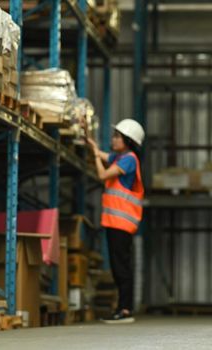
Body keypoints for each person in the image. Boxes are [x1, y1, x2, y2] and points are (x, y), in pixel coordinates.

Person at [87, 119, 145, 324]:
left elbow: (103, 174)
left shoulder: (129, 159)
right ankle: (123, 307)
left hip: (121, 224)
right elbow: (106, 156)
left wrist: (95, 156)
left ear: (128, 140)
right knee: (118, 266)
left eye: (117, 136)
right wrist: (94, 146)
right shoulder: (121, 157)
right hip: (115, 223)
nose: (113, 139)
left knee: (121, 268)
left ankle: (125, 309)